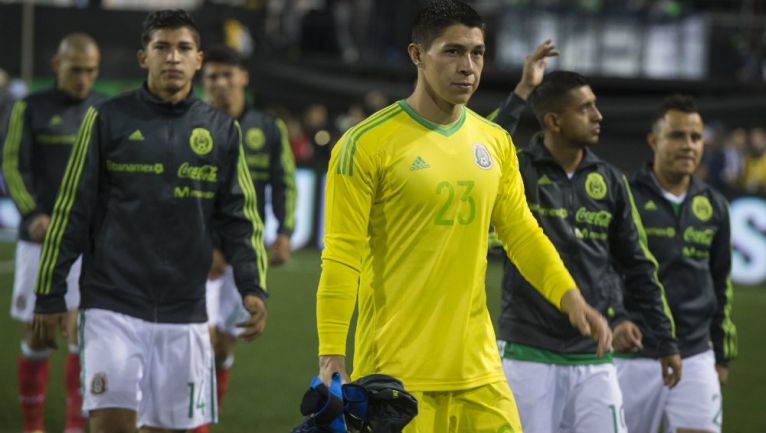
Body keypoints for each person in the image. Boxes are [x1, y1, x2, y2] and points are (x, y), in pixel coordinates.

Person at [315, 2, 611, 432]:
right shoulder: (364, 145)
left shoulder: (494, 143)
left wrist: (571, 297)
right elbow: (342, 256)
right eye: (452, 52)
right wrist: (331, 354)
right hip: (398, 374)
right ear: (417, 55)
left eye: (477, 53)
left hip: (480, 371)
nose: (468, 67)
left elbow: (522, 233)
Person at [31, 10, 269, 433]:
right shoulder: (107, 119)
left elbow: (240, 218)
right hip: (112, 303)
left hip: (185, 308)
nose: (173, 57)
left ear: (198, 61)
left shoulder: (220, 131)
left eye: (183, 49)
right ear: (144, 57)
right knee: (111, 424)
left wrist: (252, 285)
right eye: (162, 47)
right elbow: (72, 209)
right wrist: (50, 293)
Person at [492, 70, 680, 433]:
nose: (598, 116)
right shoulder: (518, 169)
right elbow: (483, 147)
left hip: (594, 354)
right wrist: (522, 92)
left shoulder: (610, 180)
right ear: (553, 121)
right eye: (585, 108)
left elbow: (636, 265)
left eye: (595, 106)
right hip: (527, 353)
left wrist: (664, 339)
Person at [616, 94, 737, 433]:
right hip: (633, 353)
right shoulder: (624, 197)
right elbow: (603, 272)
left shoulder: (714, 206)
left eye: (695, 137)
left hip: (695, 352)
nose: (688, 145)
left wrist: (721, 355)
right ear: (653, 140)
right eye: (677, 135)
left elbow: (721, 283)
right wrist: (617, 320)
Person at [2, 33, 101, 433]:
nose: (84, 78)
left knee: (83, 333)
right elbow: (12, 166)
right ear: (57, 65)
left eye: (91, 71)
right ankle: (33, 425)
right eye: (76, 69)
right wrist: (32, 214)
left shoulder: (103, 110)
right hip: (40, 241)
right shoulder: (30, 108)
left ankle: (75, 425)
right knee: (39, 333)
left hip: (86, 242)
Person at [194, 45, 296, 433]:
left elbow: (285, 182)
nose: (220, 83)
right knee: (196, 341)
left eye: (227, 75)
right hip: (198, 251)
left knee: (223, 345)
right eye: (212, 77)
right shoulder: (194, 124)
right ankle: (192, 424)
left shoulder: (268, 128)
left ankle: (205, 418)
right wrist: (206, 246)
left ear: (243, 78)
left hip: (245, 250)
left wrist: (285, 232)